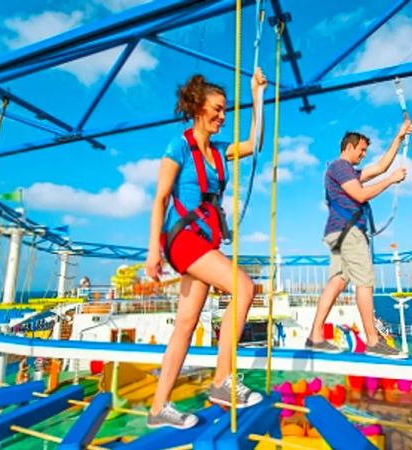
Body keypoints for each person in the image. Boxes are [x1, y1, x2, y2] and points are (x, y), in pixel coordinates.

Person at [145, 69, 267, 429]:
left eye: (226, 111)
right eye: (217, 109)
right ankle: (221, 383)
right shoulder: (178, 146)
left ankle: (157, 409)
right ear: (198, 107)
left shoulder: (218, 152)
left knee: (185, 324)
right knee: (244, 287)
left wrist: (256, 96)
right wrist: (153, 250)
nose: (222, 116)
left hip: (204, 242)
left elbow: (253, 144)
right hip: (183, 239)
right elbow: (161, 198)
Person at [306, 120, 412, 358]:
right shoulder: (340, 167)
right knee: (365, 282)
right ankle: (373, 341)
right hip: (349, 232)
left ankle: (315, 336)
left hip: (339, 232)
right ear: (349, 147)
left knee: (337, 281)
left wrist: (399, 137)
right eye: (362, 150)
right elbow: (361, 194)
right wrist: (391, 180)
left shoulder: (346, 171)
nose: (364, 155)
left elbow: (381, 166)